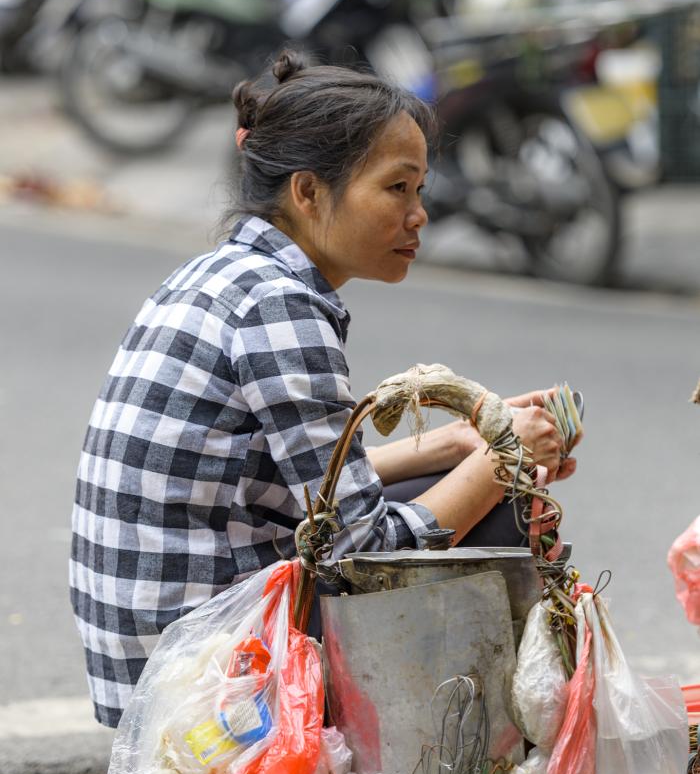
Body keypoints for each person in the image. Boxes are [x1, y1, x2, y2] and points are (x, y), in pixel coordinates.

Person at [70, 49, 577, 728]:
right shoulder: (279, 307)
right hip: (202, 679)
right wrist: (501, 462)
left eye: (421, 190)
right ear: (307, 192)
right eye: (397, 188)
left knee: (466, 483)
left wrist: (454, 445)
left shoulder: (224, 275)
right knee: (497, 516)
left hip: (152, 651)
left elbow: (285, 486)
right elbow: (363, 552)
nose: (418, 214)